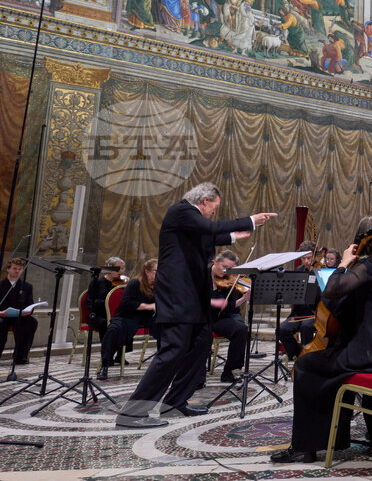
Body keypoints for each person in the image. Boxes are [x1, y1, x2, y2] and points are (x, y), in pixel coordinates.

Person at [115, 183, 274, 428]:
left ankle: (174, 402)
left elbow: (208, 234)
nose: (214, 212)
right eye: (214, 207)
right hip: (179, 294)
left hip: (193, 295)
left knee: (201, 342)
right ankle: (132, 414)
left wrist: (233, 236)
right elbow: (209, 228)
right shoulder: (181, 212)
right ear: (204, 201)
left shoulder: (190, 222)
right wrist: (249, 221)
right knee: (172, 351)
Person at [270, 217, 372, 463]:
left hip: (368, 357)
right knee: (336, 359)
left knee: (307, 365)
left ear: (361, 242)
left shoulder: (367, 268)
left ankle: (306, 446)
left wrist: (343, 264)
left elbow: (332, 290)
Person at [96, 259, 158, 380]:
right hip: (129, 315)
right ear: (147, 271)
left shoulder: (159, 285)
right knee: (114, 329)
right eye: (157, 271)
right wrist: (148, 306)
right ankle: (105, 365)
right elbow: (126, 303)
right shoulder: (134, 283)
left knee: (167, 328)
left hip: (148, 317)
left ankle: (165, 364)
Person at [207, 250, 252, 383]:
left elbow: (230, 306)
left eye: (231, 269)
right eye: (225, 267)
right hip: (202, 317)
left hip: (218, 317)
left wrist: (244, 298)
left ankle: (229, 371)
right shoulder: (202, 275)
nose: (227, 272)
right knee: (202, 335)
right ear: (215, 262)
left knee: (241, 329)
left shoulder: (228, 281)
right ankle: (197, 375)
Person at [278, 242, 320, 363]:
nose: (307, 261)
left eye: (309, 258)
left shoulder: (320, 270)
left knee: (306, 327)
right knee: (282, 329)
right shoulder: (299, 270)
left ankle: (306, 361)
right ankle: (297, 354)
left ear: (315, 257)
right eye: (304, 258)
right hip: (298, 313)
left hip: (314, 312)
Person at [0, 258, 37, 365]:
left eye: (20, 269)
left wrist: (28, 311)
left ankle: (20, 357)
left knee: (31, 322)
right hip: (2, 315)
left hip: (19, 316)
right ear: (8, 269)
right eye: (14, 268)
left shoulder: (26, 286)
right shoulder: (1, 285)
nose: (17, 271)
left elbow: (30, 304)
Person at [85, 256, 127, 342]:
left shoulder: (122, 283)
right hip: (98, 315)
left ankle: (120, 353)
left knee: (127, 322)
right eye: (117, 268)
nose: (120, 271)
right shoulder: (97, 282)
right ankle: (106, 351)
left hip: (115, 315)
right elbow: (88, 302)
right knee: (106, 323)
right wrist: (107, 303)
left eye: (122, 268)